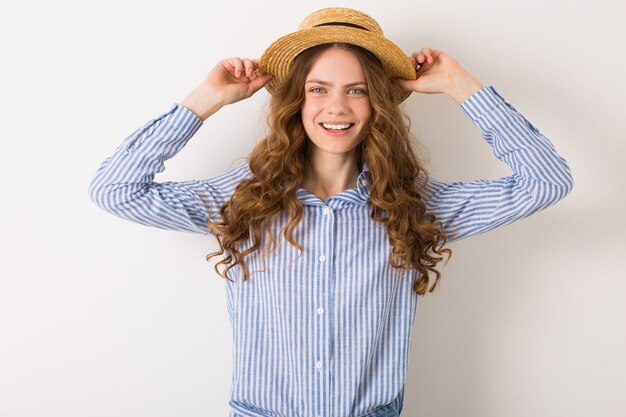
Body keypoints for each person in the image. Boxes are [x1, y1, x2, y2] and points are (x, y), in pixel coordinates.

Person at [88, 7, 573, 417]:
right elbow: (116, 189)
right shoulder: (243, 199)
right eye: (318, 88)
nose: (336, 107)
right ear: (295, 99)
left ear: (376, 102)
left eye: (356, 89)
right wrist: (206, 99)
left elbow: (546, 181)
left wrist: (460, 85)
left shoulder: (414, 206)